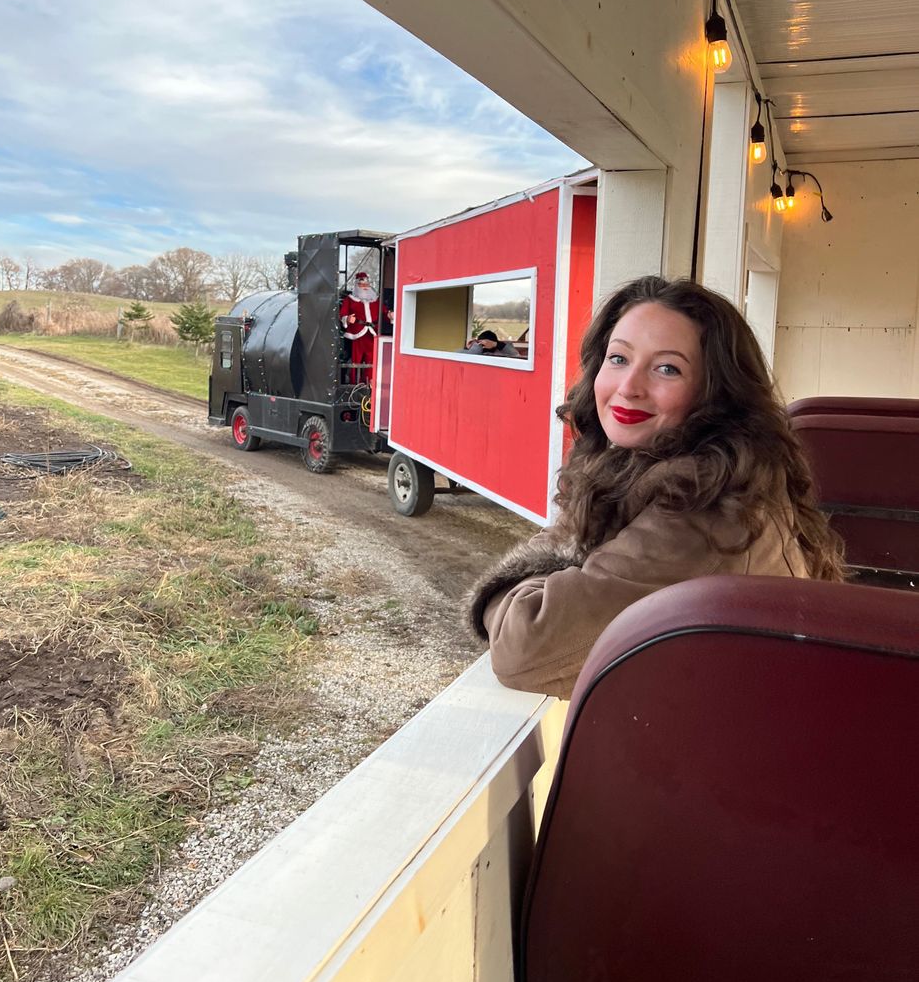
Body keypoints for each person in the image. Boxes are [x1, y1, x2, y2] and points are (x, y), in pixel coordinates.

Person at [467, 276, 845, 698]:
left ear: (716, 393)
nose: (629, 387)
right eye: (618, 359)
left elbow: (524, 649)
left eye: (667, 368)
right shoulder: (679, 473)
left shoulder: (708, 516)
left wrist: (505, 587)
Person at [339, 270, 385, 382]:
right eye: (361, 284)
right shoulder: (350, 300)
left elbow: (384, 312)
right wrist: (348, 319)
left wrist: (389, 314)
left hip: (372, 333)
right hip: (356, 334)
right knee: (356, 360)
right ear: (356, 285)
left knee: (372, 359)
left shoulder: (375, 300)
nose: (364, 287)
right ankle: (355, 383)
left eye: (366, 284)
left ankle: (369, 382)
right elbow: (343, 314)